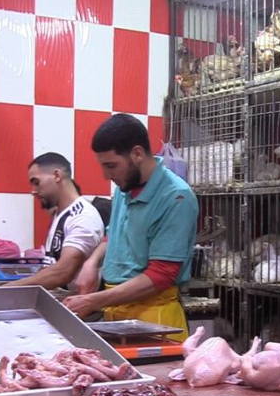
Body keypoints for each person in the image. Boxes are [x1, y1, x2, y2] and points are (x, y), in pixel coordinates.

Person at [63, 114, 199, 342]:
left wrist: (94, 301)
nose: (106, 175)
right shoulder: (125, 188)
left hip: (155, 321)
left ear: (137, 154)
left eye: (111, 166)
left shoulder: (176, 197)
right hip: (116, 314)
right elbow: (113, 235)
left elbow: (161, 275)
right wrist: (92, 262)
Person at [5, 152, 104, 290]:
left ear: (57, 176)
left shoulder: (83, 217)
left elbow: (63, 272)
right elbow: (53, 266)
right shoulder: (61, 214)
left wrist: (8, 288)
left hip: (78, 308)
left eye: (36, 182)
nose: (33, 191)